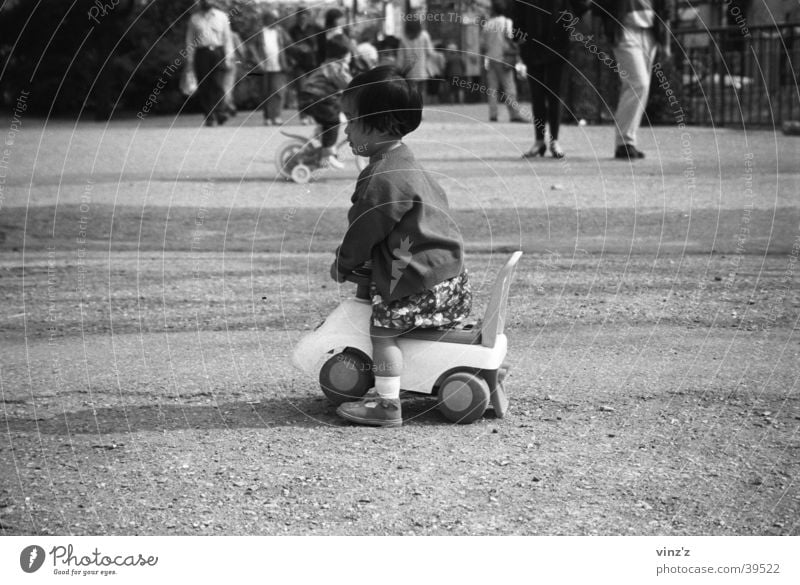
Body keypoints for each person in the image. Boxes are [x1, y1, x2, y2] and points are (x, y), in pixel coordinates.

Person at [331, 65, 472, 428]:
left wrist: (345, 262)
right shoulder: (404, 161)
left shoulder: (384, 177)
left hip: (424, 283)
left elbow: (365, 230)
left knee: (382, 330)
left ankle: (387, 405)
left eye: (351, 120)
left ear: (378, 124)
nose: (345, 129)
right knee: (389, 314)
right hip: (448, 278)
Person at [593, 0, 674, 159]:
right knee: (639, 84)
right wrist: (597, 36)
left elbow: (666, 10)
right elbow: (598, 6)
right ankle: (624, 142)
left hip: (651, 33)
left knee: (638, 87)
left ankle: (627, 142)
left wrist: (666, 44)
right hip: (624, 30)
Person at [513, 0, 590, 157]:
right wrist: (518, 37)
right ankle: (539, 141)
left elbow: (582, 7)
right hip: (532, 45)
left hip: (559, 44)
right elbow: (517, 12)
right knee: (537, 95)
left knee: (555, 94)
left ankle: (554, 141)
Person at [297, 34, 352, 169]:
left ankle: (319, 145)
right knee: (332, 120)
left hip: (313, 97)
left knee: (335, 113)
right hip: (314, 98)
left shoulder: (329, 64)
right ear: (345, 54)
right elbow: (347, 83)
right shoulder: (336, 66)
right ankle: (327, 153)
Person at [185, 0, 235, 127]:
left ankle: (220, 112)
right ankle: (209, 115)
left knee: (218, 83)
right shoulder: (194, 19)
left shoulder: (222, 17)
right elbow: (190, 41)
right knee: (205, 85)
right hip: (202, 54)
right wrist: (190, 60)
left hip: (218, 52)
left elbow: (227, 38)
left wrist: (229, 56)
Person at [480, 0, 526, 123]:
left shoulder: (487, 25)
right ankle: (514, 114)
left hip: (490, 59)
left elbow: (483, 45)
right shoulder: (507, 22)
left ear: (493, 10)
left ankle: (493, 114)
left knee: (492, 89)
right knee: (509, 87)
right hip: (505, 59)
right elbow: (512, 39)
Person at [253, 9, 292, 126]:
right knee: (265, 92)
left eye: (275, 19)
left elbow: (289, 44)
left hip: (279, 65)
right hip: (264, 66)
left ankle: (277, 116)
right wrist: (258, 61)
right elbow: (251, 47)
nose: (274, 21)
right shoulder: (259, 32)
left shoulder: (280, 31)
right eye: (271, 18)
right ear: (265, 19)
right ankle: (267, 117)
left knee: (278, 91)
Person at [396, 18, 437, 94]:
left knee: (411, 92)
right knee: (421, 92)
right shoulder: (424, 35)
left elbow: (400, 57)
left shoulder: (404, 38)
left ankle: (413, 105)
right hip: (422, 70)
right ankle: (421, 104)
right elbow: (430, 52)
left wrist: (399, 70)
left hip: (409, 71)